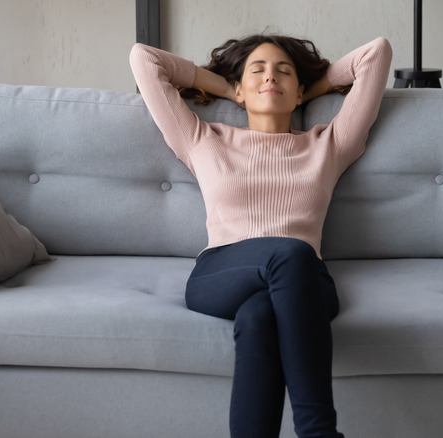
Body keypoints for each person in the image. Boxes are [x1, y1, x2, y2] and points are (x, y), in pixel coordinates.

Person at [130, 33, 392, 438]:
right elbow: (144, 59)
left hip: (305, 281)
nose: (271, 77)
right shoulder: (204, 139)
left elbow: (376, 54)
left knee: (258, 317)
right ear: (239, 88)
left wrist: (310, 88)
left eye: (284, 72)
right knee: (290, 253)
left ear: (300, 90)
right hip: (222, 272)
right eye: (258, 71)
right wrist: (227, 87)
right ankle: (319, 432)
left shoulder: (329, 144)